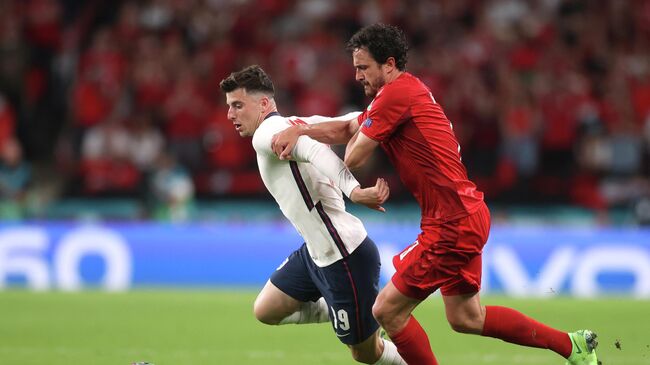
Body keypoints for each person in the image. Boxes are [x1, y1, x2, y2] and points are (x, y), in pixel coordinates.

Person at [272, 23, 599, 365]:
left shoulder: (395, 96)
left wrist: (322, 150)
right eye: (355, 68)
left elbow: (353, 157)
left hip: (452, 224)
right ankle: (571, 345)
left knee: (387, 311)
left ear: (389, 64)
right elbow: (348, 127)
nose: (357, 76)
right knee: (466, 317)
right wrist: (303, 131)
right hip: (463, 213)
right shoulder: (401, 93)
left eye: (363, 67)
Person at [219, 65, 406, 365]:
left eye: (238, 105)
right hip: (317, 253)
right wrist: (381, 112)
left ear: (264, 104)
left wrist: (353, 190)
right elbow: (348, 123)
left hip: (344, 256)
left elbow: (312, 151)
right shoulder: (301, 122)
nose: (230, 115)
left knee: (366, 354)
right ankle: (344, 309)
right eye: (229, 107)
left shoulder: (266, 133)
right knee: (266, 309)